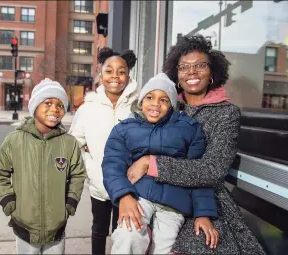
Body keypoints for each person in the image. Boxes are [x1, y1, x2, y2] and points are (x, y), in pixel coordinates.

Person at [126, 34, 266, 254]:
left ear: (212, 71)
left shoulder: (226, 113)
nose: (191, 72)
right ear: (176, 74)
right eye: (184, 67)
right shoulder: (165, 105)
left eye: (200, 65)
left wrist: (151, 164)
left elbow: (212, 170)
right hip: (152, 194)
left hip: (205, 200)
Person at [102, 73, 219, 254]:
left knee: (165, 247)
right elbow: (112, 165)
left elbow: (199, 173)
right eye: (150, 97)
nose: (155, 103)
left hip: (174, 202)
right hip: (139, 195)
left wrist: (203, 213)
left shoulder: (189, 128)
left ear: (172, 105)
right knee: (128, 234)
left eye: (164, 100)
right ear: (141, 102)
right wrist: (124, 197)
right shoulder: (124, 129)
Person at [0, 78, 86, 254]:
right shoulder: (14, 140)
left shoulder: (68, 143)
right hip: (24, 225)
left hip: (57, 226)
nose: (54, 109)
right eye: (48, 102)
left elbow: (78, 175)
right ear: (35, 106)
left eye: (60, 105)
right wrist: (7, 201)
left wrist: (71, 202)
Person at [69, 47, 139, 255]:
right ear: (101, 73)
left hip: (129, 186)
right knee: (99, 230)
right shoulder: (88, 108)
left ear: (128, 74)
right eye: (109, 70)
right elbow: (74, 143)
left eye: (121, 71)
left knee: (123, 231)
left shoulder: (138, 106)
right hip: (99, 185)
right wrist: (90, 168)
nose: (115, 76)